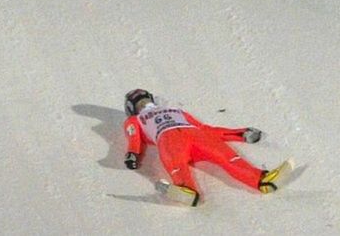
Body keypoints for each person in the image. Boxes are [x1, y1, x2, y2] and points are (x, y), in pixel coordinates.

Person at [123, 88, 292, 206]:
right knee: (177, 164)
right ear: (132, 109)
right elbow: (134, 138)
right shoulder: (134, 120)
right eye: (139, 103)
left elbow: (205, 129)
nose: (143, 104)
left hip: (196, 135)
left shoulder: (176, 111)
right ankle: (187, 190)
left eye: (144, 100)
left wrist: (239, 133)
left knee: (227, 157)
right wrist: (132, 154)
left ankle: (261, 180)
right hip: (168, 138)